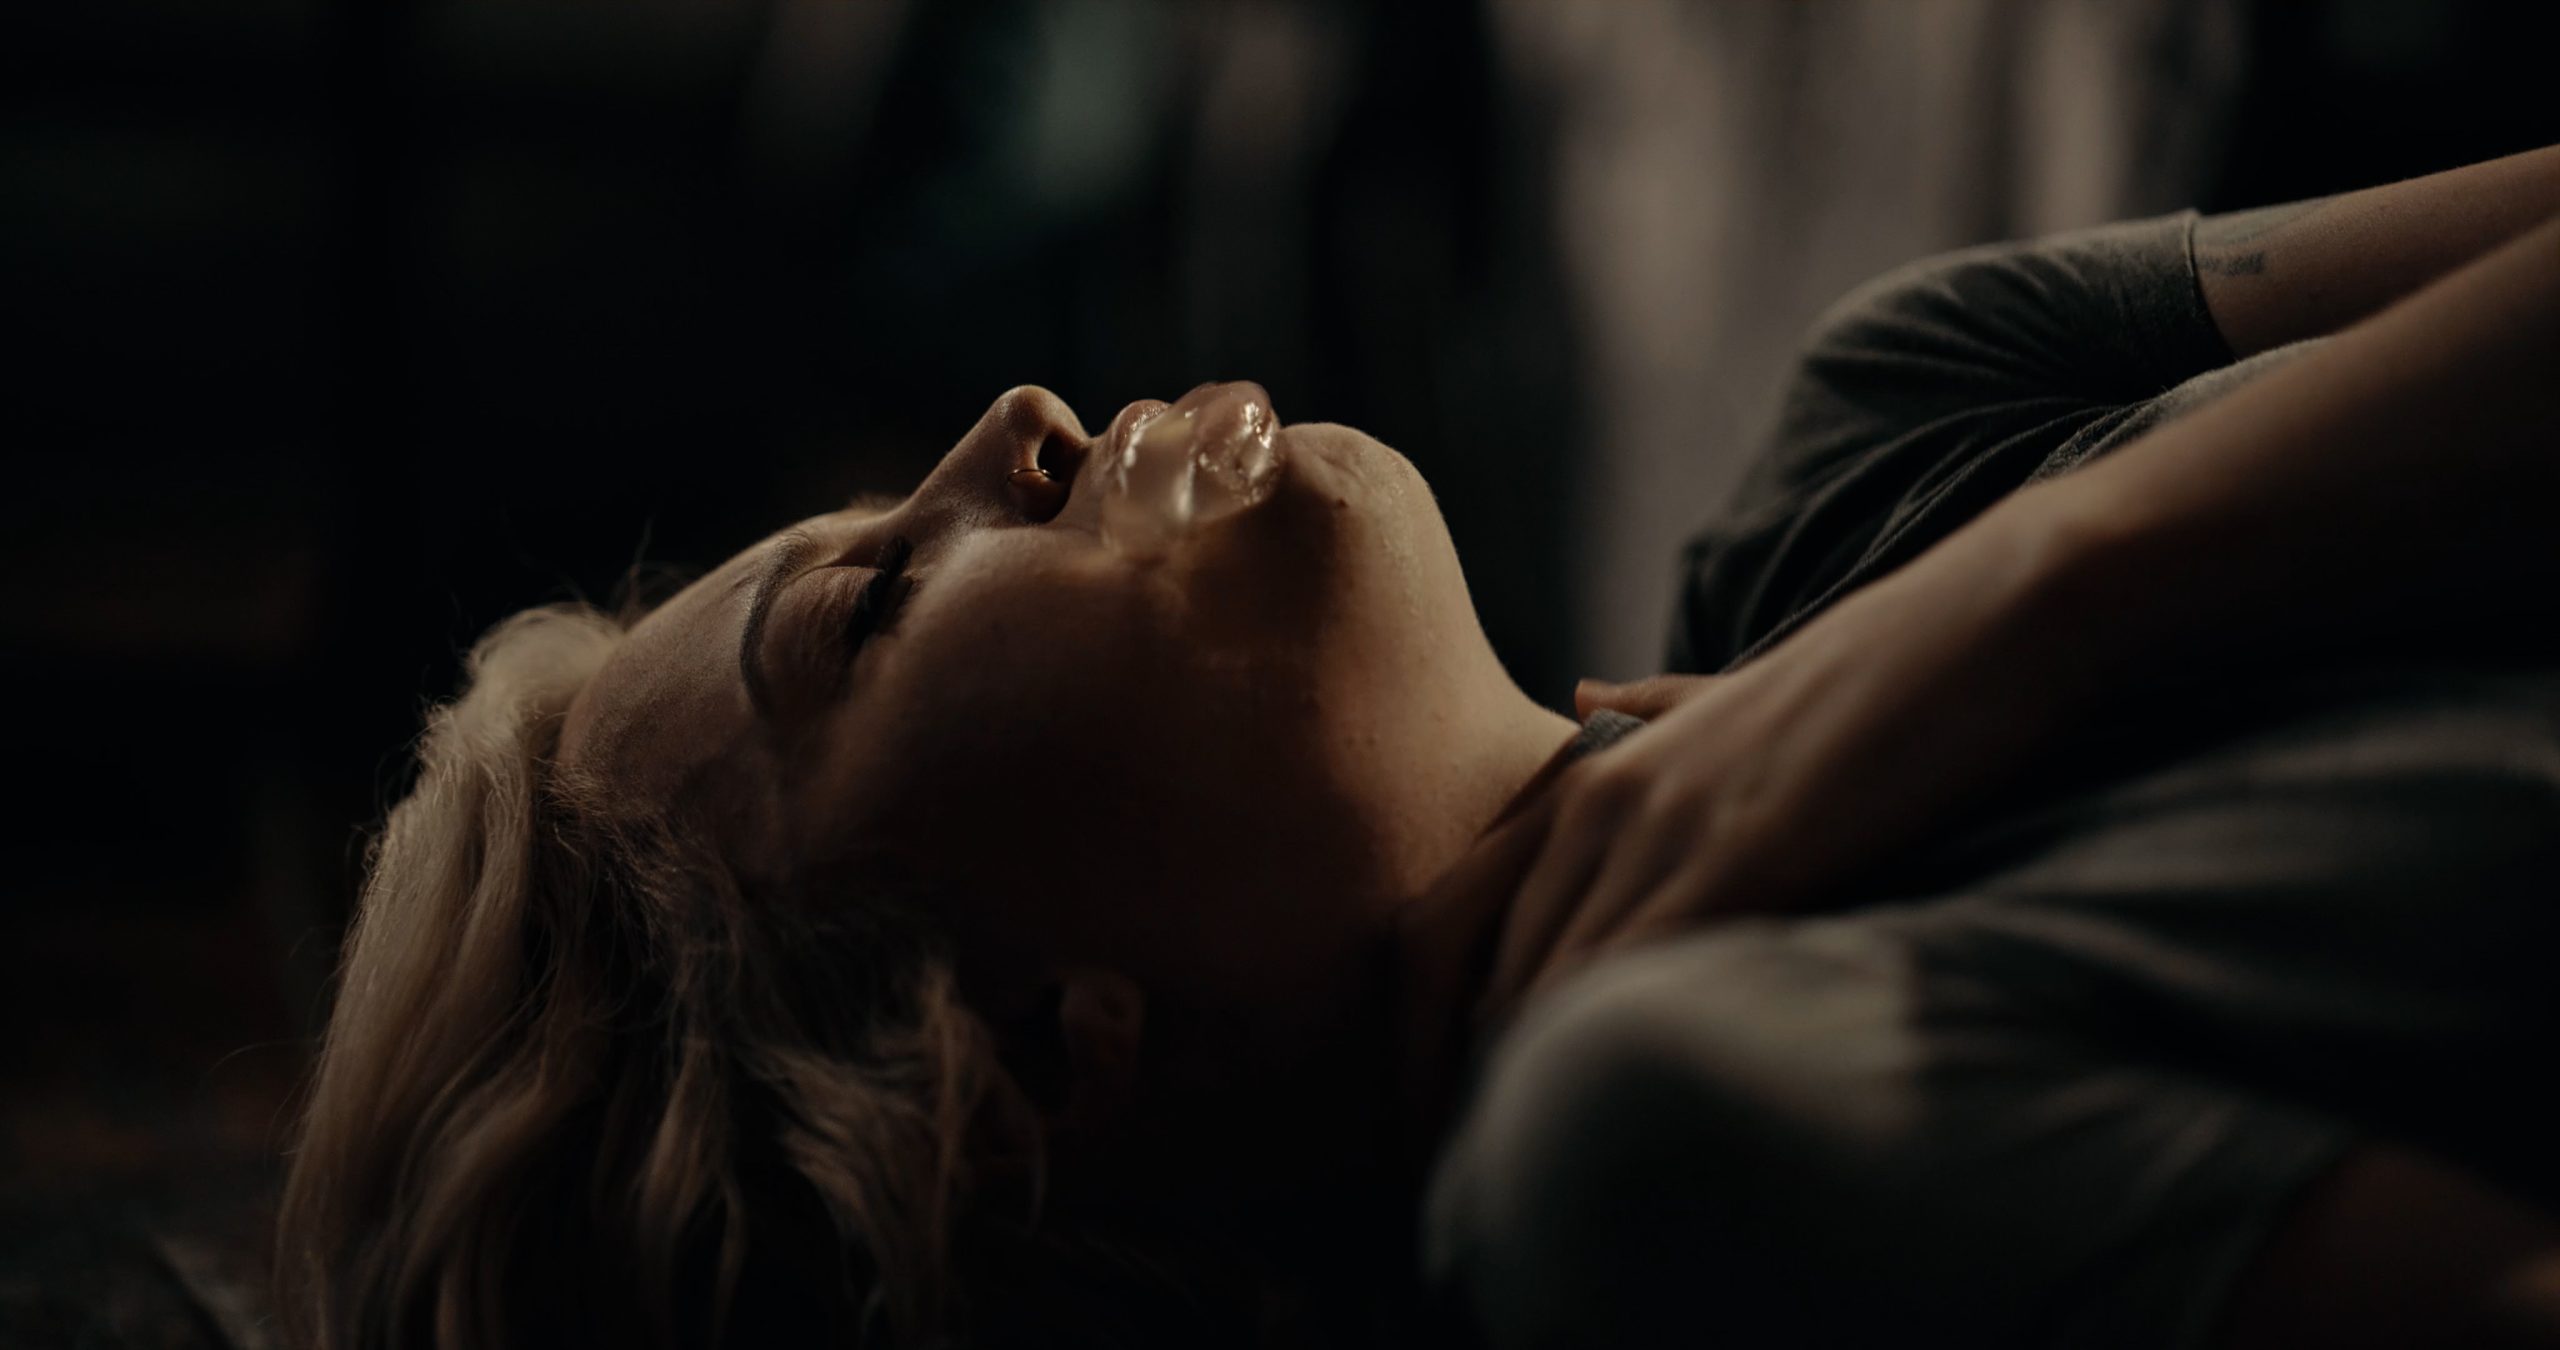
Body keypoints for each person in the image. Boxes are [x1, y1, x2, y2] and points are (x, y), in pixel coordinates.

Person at [276, 143, 2560, 1349]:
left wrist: (1998, 600)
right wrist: (2053, 596)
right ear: (1000, 1075)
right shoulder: (1656, 1156)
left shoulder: (1874, 444)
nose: (1016, 426)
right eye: (869, 604)